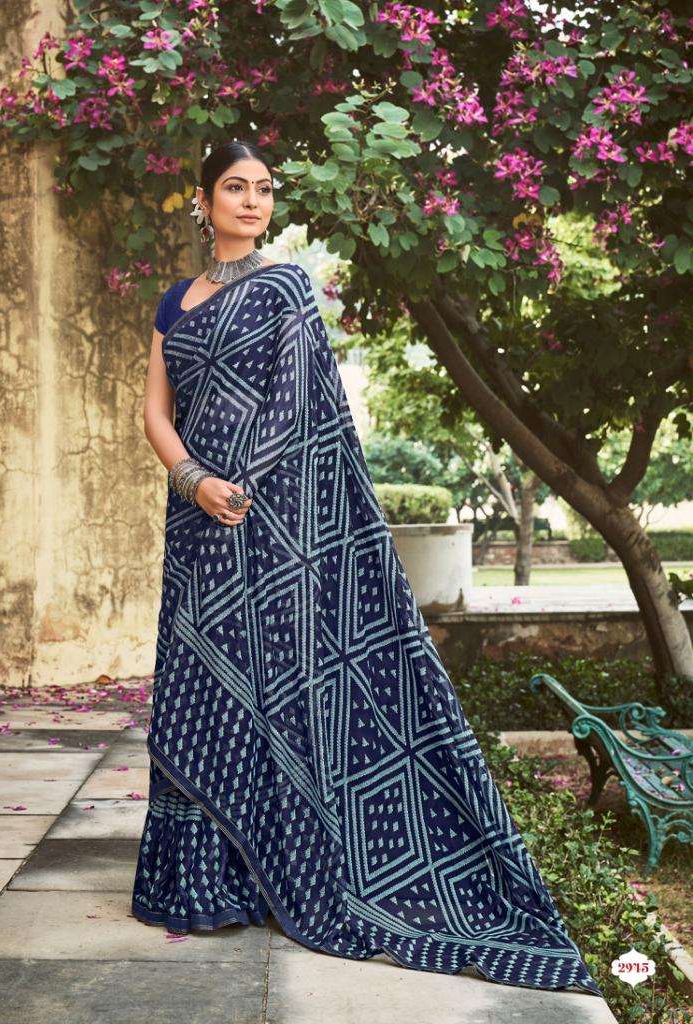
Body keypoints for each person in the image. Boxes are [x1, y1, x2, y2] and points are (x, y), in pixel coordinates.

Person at [132, 139, 602, 998]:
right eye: (234, 187)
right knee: (202, 683)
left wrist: (243, 488)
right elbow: (155, 411)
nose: (252, 201)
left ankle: (279, 867)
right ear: (202, 200)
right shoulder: (175, 302)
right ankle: (203, 881)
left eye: (264, 188)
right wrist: (194, 480)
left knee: (272, 683)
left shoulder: (286, 289)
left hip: (272, 524)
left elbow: (297, 413)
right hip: (196, 517)